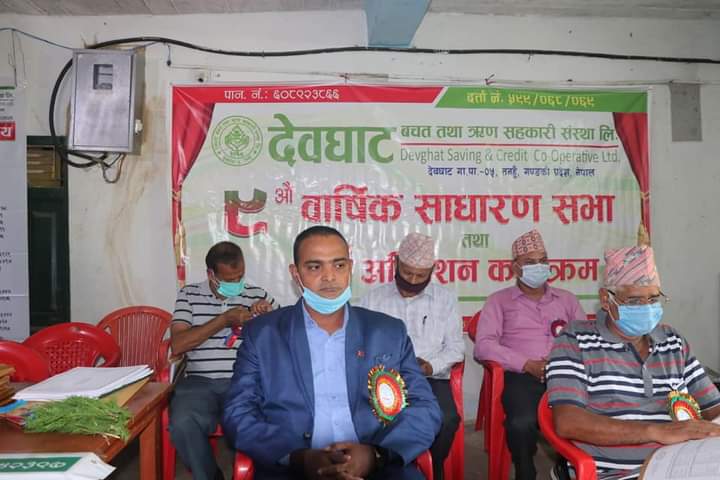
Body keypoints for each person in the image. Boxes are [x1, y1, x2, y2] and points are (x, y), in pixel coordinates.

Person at [222, 226, 442, 480]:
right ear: (295, 273)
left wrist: (377, 455)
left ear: (350, 267)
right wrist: (299, 457)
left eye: (338, 265)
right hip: (293, 467)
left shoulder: (388, 332)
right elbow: (238, 412)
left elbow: (424, 407)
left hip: (377, 464)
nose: (329, 277)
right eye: (315, 267)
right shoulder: (263, 335)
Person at [546, 245, 720, 480]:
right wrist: (656, 431)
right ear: (606, 299)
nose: (647, 307)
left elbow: (713, 406)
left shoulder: (672, 341)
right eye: (635, 300)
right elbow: (568, 422)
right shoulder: (575, 339)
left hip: (683, 463)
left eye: (653, 298)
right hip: (619, 473)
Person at [473, 229, 586, 480]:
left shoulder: (567, 299)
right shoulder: (499, 301)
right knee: (520, 423)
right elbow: (483, 345)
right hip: (522, 375)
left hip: (566, 375)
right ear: (515, 268)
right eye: (530, 262)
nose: (539, 266)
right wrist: (526, 364)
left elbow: (585, 339)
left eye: (543, 260)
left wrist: (565, 363)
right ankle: (525, 469)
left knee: (584, 416)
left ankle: (567, 465)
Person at [358, 232, 464, 480]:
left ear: (432, 271)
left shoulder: (445, 300)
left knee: (447, 419)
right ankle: (388, 467)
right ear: (396, 264)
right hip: (382, 379)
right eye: (407, 273)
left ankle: (433, 469)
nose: (413, 280)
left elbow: (456, 348)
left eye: (421, 276)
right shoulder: (372, 300)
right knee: (368, 418)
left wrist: (430, 366)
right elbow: (359, 345)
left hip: (429, 377)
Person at [169, 241, 277, 480]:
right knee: (182, 422)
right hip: (199, 382)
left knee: (261, 419)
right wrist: (223, 320)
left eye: (239, 277)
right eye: (229, 279)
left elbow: (283, 336)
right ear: (211, 274)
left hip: (244, 381)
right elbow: (178, 344)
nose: (236, 283)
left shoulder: (257, 295)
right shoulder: (189, 295)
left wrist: (268, 318)